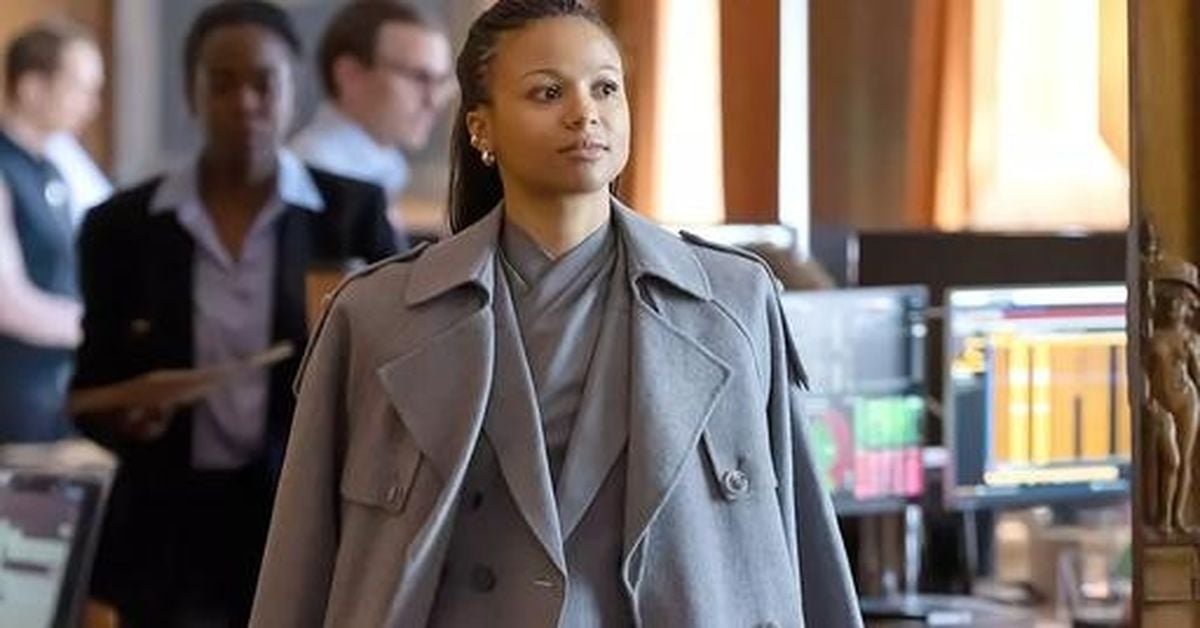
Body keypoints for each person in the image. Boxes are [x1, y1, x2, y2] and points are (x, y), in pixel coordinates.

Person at [251, 1, 861, 626]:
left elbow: (798, 545)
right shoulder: (375, 318)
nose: (584, 112)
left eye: (605, 88)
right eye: (548, 92)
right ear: (481, 128)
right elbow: (301, 565)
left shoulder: (731, 303)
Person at [72, 2, 397, 625]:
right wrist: (128, 415)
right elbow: (90, 389)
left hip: (302, 515)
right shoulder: (122, 227)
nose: (244, 102)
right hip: (166, 529)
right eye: (222, 83)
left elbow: (394, 373)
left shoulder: (349, 215)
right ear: (191, 94)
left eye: (263, 83)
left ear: (293, 90)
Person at [0, 20, 104, 443]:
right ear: (32, 88)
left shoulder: (55, 166)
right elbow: (7, 302)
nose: (91, 105)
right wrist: (98, 326)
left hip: (58, 391)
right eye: (78, 88)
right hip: (16, 398)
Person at [290, 0, 453, 213]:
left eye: (441, 81)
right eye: (419, 78)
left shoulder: (387, 165)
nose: (434, 101)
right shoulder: (317, 176)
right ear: (350, 75)